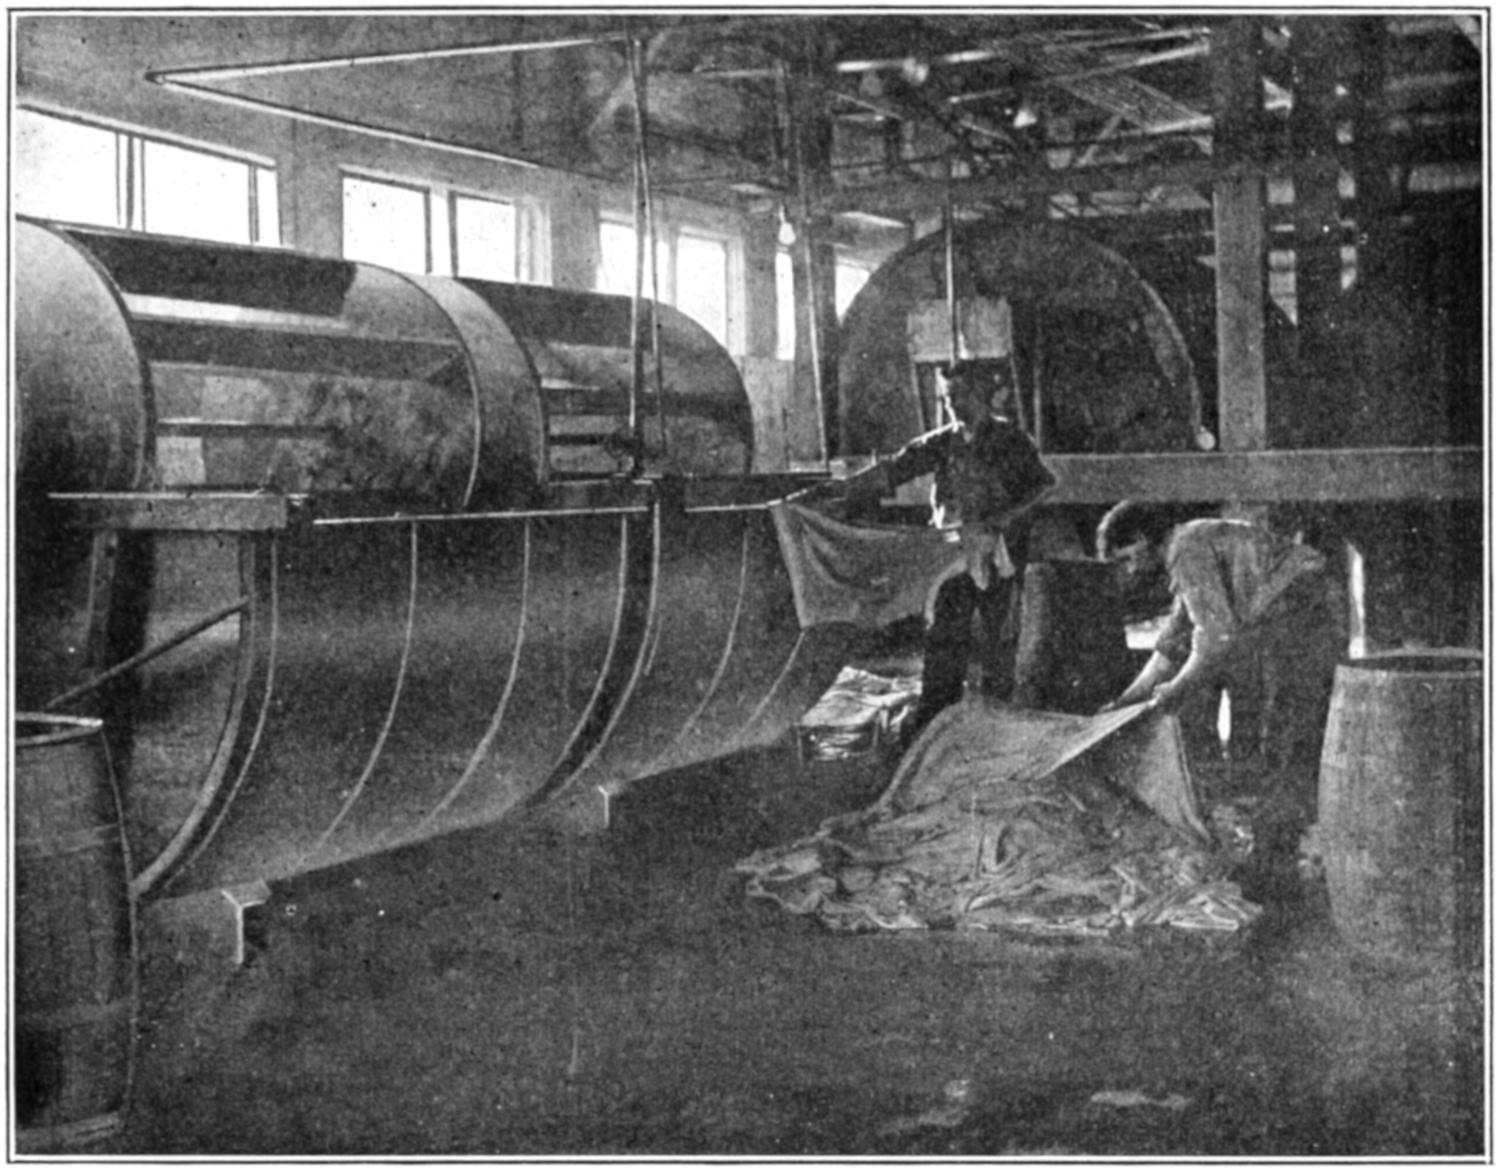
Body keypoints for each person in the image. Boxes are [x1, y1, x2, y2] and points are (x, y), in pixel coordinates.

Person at [826, 362, 1056, 740]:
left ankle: (996, 723)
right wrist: (839, 490)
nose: (952, 404)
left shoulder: (1010, 440)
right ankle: (936, 719)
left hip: (997, 553)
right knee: (945, 634)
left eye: (959, 396)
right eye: (946, 397)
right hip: (952, 555)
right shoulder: (943, 442)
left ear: (981, 395)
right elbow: (895, 469)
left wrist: (1002, 521)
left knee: (998, 638)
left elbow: (1043, 486)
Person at [1095, 500, 1343, 820]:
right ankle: (1278, 820)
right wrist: (1123, 704)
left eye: (1126, 558)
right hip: (1303, 599)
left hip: (1303, 603)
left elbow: (1215, 636)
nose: (1130, 570)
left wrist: (1176, 690)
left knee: (1286, 725)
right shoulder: (1190, 545)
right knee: (1282, 726)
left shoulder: (1186, 549)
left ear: (1142, 540)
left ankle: (1283, 828)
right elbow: (1172, 645)